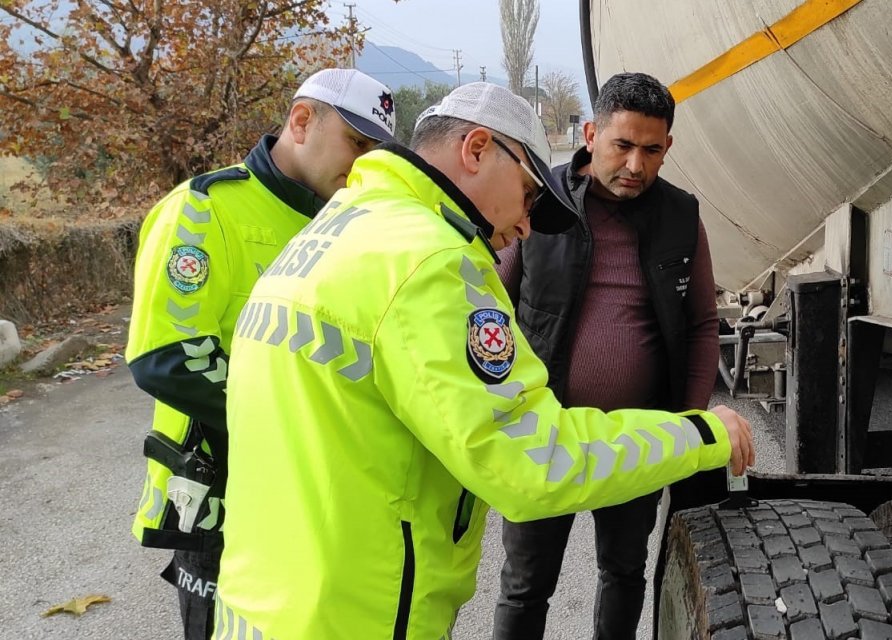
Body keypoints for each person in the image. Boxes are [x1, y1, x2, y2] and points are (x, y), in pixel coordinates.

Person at [210, 82, 755, 639]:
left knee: (622, 572)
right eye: (525, 193)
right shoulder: (433, 262)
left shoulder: (336, 228)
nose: (523, 224)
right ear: (475, 150)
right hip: (357, 610)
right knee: (526, 586)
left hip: (265, 604)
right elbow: (531, 463)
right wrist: (697, 434)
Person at [124, 68, 395, 639]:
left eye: (377, 153)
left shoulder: (344, 224)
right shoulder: (201, 211)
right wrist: (301, 419)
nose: (364, 164)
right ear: (301, 121)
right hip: (219, 489)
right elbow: (165, 355)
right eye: (357, 144)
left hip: (308, 489)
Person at [492, 72, 718, 639]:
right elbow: (491, 304)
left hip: (637, 437)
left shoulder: (681, 217)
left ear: (668, 148)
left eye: (652, 149)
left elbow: (702, 326)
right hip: (546, 437)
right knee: (525, 586)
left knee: (624, 573)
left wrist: (688, 426)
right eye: (623, 145)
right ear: (591, 134)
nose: (636, 165)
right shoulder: (540, 208)